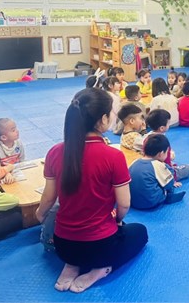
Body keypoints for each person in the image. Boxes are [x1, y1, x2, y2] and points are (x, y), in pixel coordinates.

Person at [35, 88, 148, 293]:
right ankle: (100, 270)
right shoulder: (113, 156)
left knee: (77, 248)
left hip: (63, 246)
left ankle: (72, 265)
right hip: (100, 247)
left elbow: (48, 198)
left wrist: (40, 215)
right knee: (140, 232)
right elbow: (124, 204)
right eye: (111, 113)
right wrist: (117, 220)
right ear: (103, 119)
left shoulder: (55, 152)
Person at [128, 133, 185, 210]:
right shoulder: (157, 165)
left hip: (131, 201)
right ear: (161, 154)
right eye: (167, 152)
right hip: (150, 202)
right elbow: (169, 184)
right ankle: (168, 197)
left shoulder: (135, 162)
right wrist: (167, 168)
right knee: (167, 187)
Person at [134, 109, 189, 180]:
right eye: (168, 123)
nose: (169, 125)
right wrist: (173, 179)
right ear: (162, 128)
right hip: (161, 171)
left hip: (150, 167)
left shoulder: (147, 137)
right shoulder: (163, 141)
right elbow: (167, 160)